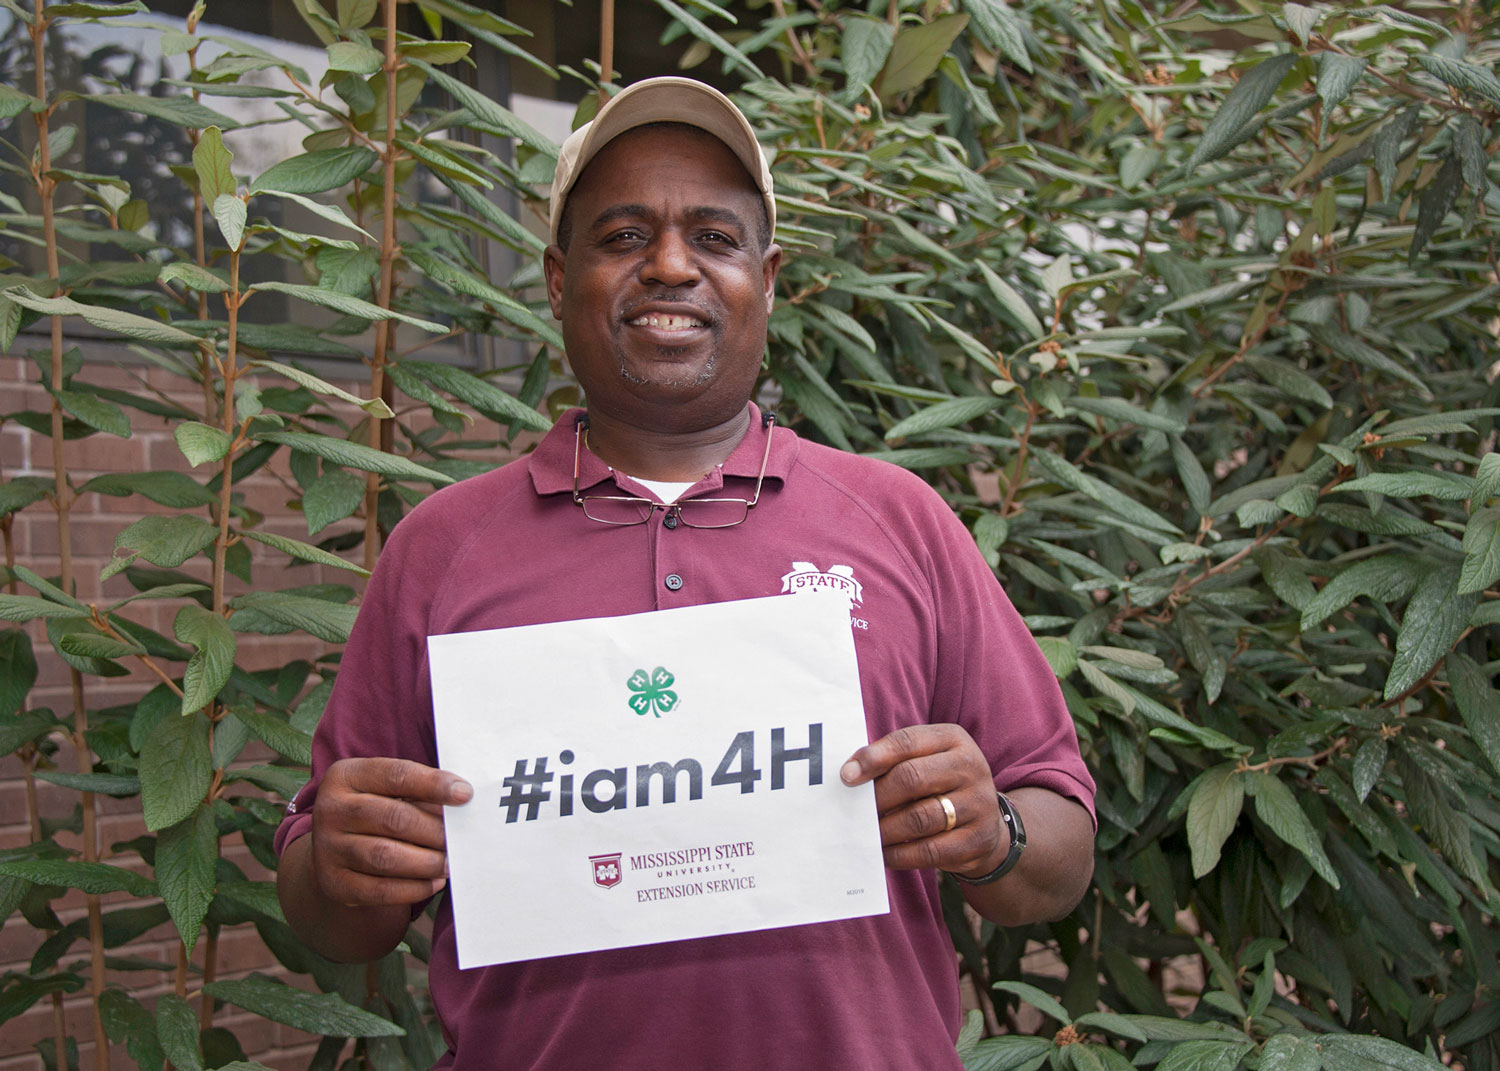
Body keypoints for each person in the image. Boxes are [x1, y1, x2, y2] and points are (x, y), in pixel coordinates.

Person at [275, 76, 1095, 1070]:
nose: (669, 266)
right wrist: (341, 862)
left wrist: (992, 831)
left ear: (769, 276)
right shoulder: (442, 549)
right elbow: (337, 923)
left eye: (714, 237)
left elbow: (1058, 859)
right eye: (622, 237)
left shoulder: (899, 520)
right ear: (553, 277)